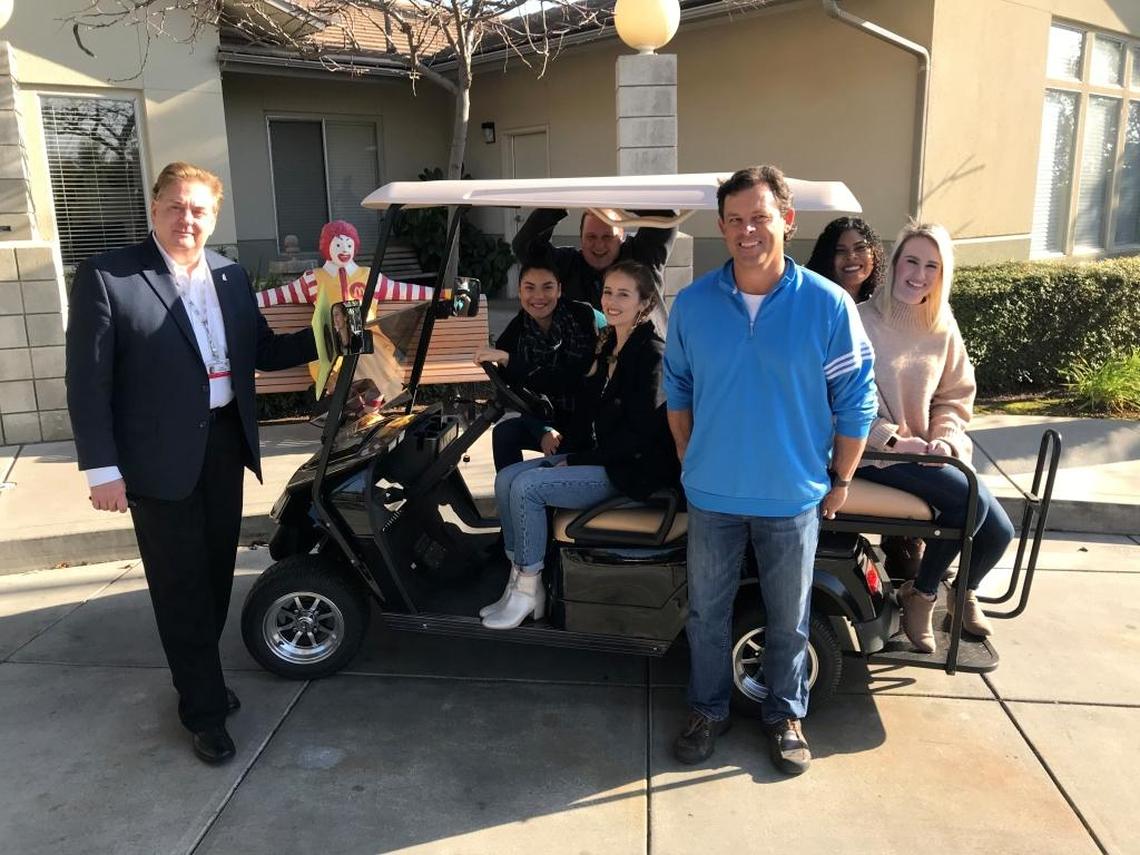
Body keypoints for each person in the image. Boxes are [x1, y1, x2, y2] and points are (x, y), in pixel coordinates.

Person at [64, 162, 317, 765]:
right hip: (155, 458)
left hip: (224, 442)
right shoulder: (109, 276)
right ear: (154, 208)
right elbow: (87, 381)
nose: (188, 219)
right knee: (178, 585)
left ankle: (199, 676)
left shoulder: (228, 275)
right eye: (176, 206)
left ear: (214, 216)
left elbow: (260, 350)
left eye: (199, 209)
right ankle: (202, 708)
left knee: (213, 575)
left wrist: (330, 329)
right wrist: (102, 469)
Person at [663, 166, 877, 775]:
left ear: (786, 220)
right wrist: (686, 456)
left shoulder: (828, 305)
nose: (746, 230)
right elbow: (676, 386)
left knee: (789, 616)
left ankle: (785, 715)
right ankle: (707, 709)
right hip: (713, 494)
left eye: (759, 217)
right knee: (706, 612)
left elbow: (856, 399)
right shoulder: (695, 303)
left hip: (792, 497)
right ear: (721, 227)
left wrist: (841, 480)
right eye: (734, 219)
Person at [481, 260, 680, 630]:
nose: (612, 301)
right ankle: (519, 582)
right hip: (604, 459)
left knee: (527, 488)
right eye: (608, 292)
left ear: (645, 303)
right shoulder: (609, 348)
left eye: (624, 294)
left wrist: (577, 460)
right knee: (508, 478)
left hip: (630, 473)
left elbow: (639, 437)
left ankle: (528, 589)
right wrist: (512, 364)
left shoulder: (650, 353)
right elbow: (568, 386)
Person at [855, 222, 1014, 654]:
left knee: (1000, 531)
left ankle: (964, 593)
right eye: (911, 261)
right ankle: (923, 595)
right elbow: (842, 402)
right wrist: (894, 441)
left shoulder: (942, 325)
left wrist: (943, 439)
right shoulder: (860, 321)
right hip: (873, 454)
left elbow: (954, 395)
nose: (919, 274)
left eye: (932, 265)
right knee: (971, 503)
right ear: (893, 264)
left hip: (927, 453)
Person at [806, 218, 923, 578]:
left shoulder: (888, 309)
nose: (851, 258)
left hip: (884, 433)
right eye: (840, 251)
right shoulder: (814, 305)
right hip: (834, 437)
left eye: (860, 248)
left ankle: (919, 576)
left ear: (875, 254)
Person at [474, 249, 603, 470]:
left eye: (547, 287)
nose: (538, 297)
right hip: (552, 417)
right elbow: (517, 393)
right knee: (504, 434)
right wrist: (541, 430)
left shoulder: (584, 319)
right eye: (530, 288)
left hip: (592, 419)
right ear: (520, 291)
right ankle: (509, 499)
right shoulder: (516, 332)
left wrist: (511, 362)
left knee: (557, 463)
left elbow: (570, 381)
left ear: (560, 289)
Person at [511, 207, 677, 310]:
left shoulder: (641, 258)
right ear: (580, 237)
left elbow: (666, 216)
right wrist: (557, 206)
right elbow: (524, 247)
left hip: (643, 358)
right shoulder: (566, 264)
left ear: (622, 236)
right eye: (591, 237)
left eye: (607, 237)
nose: (599, 245)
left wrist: (620, 198)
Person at [804, 216, 886, 303]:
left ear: (874, 252)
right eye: (840, 250)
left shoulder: (884, 303)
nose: (851, 256)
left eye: (860, 247)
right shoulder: (810, 301)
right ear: (825, 257)